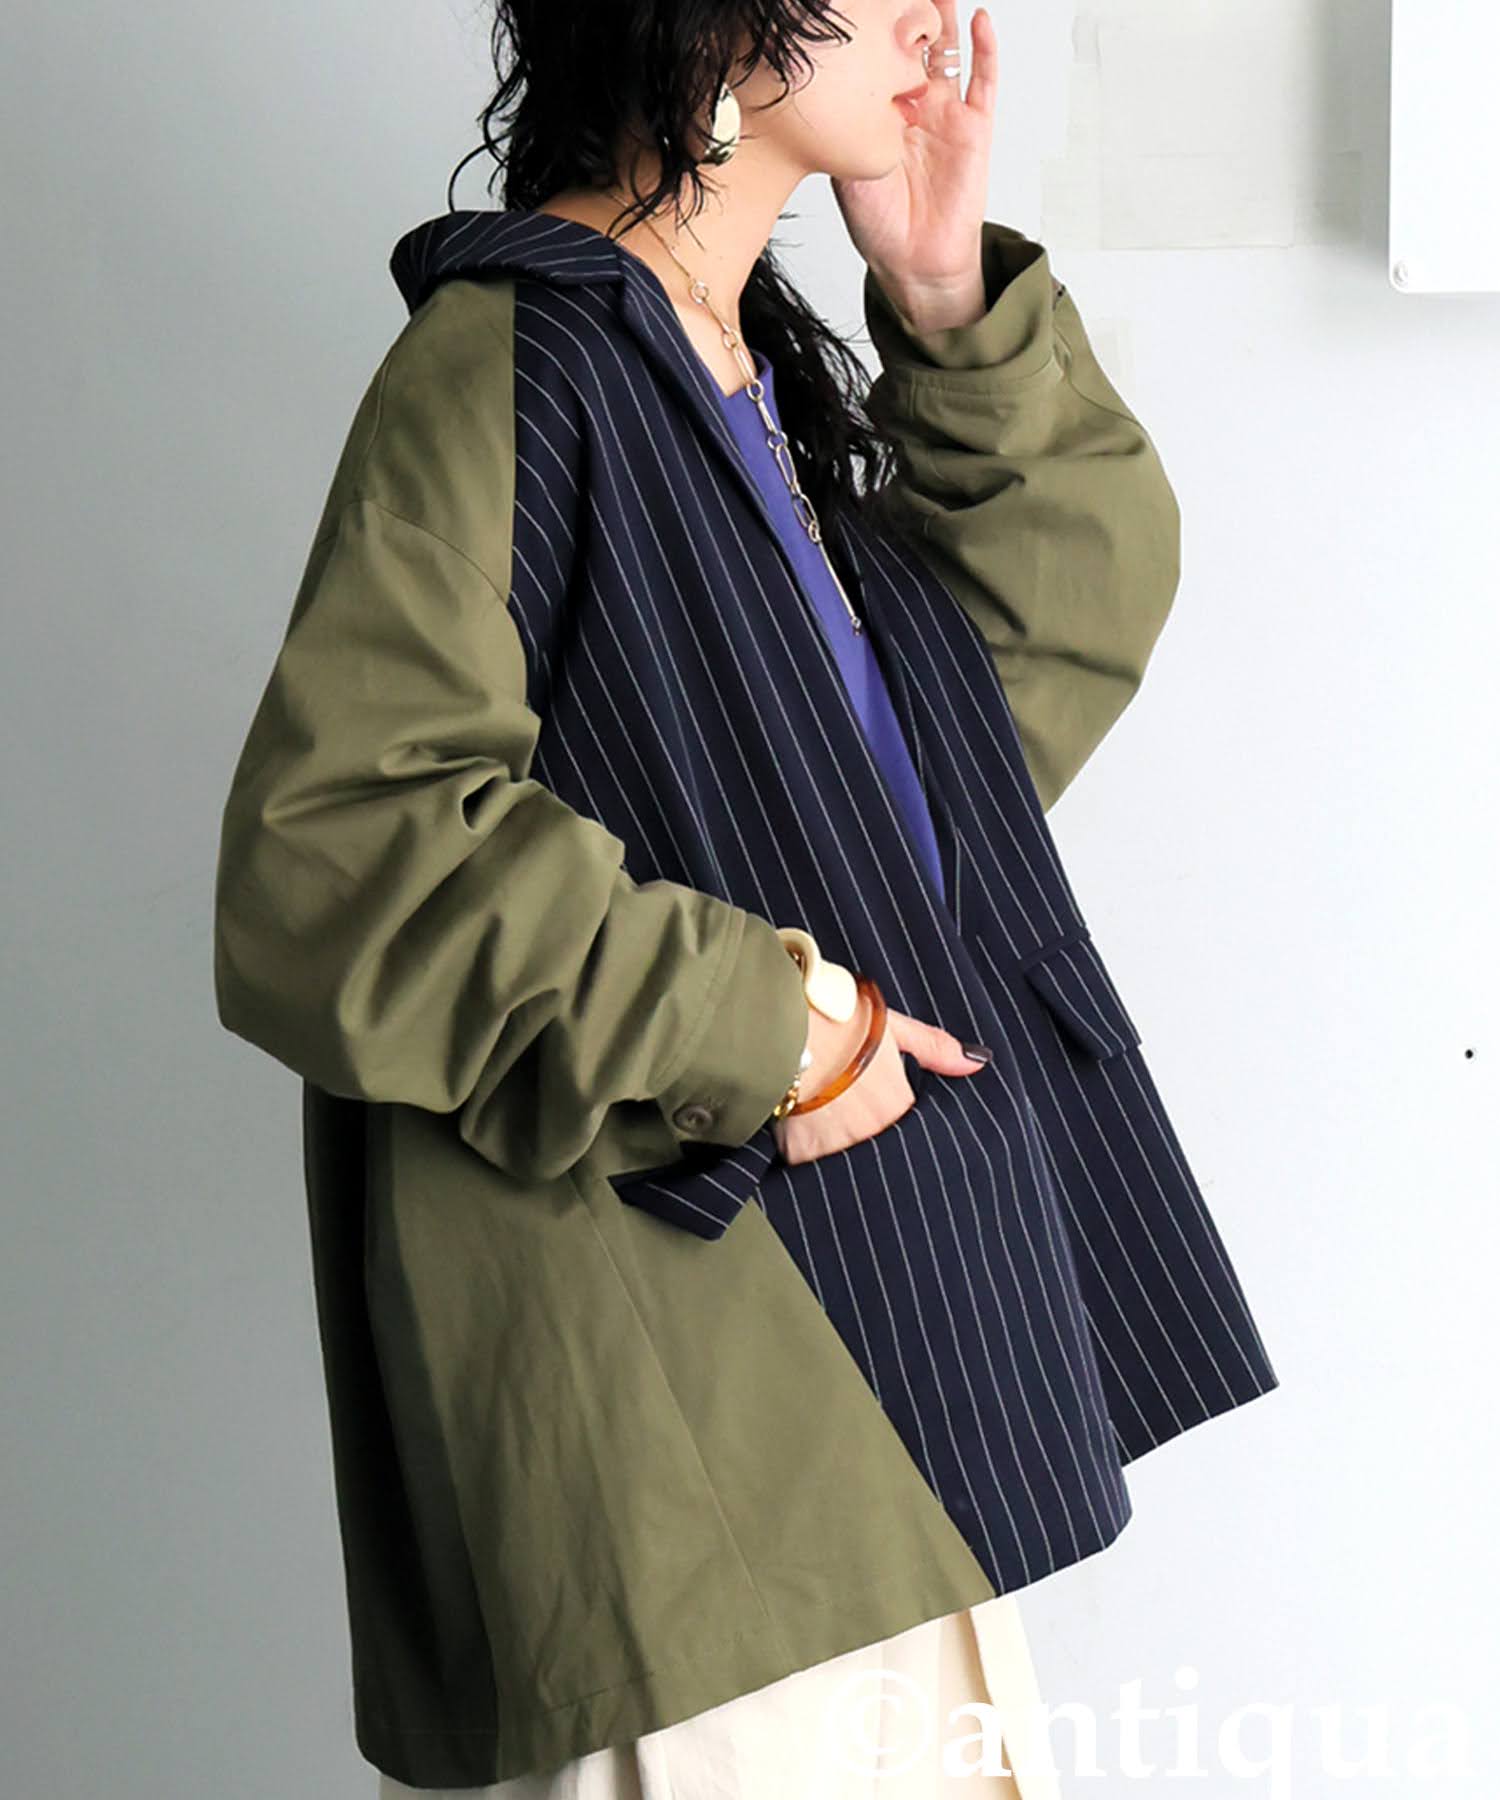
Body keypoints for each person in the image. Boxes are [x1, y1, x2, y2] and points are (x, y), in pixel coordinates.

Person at [212, 0, 1281, 1791]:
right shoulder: (518, 362)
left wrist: (943, 296)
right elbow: (338, 853)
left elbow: (981, 715)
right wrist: (770, 1025)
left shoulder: (726, 367)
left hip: (859, 1407)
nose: (940, 15)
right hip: (689, 1439)